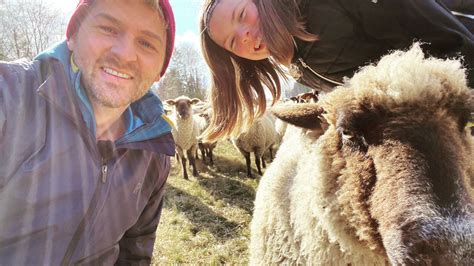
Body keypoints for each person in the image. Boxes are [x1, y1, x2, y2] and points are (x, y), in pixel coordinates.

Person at [0, 0, 175, 264]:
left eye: (147, 43)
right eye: (108, 28)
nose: (125, 54)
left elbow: (135, 252)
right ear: (72, 36)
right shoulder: (11, 96)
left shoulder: (155, 153)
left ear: (160, 70)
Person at [199, 0, 474, 141]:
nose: (245, 35)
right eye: (233, 42)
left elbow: (451, 41)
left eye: (242, 15)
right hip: (419, 127)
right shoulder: (295, 60)